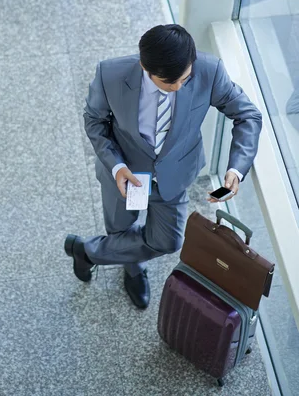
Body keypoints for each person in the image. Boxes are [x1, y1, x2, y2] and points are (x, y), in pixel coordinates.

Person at [64, 24, 262, 309]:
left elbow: (248, 116)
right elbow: (94, 121)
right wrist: (116, 166)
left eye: (185, 79)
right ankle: (133, 269)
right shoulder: (110, 74)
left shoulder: (209, 70)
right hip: (126, 174)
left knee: (169, 241)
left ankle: (86, 251)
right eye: (170, 83)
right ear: (147, 68)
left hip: (175, 175)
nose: (179, 88)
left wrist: (236, 169)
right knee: (120, 231)